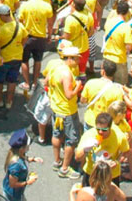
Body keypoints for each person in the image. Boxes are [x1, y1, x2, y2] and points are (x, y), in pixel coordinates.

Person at [49, 46, 84, 179]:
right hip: (67, 110)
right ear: (69, 58)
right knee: (71, 139)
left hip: (56, 107)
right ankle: (64, 169)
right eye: (76, 58)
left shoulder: (55, 67)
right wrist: (78, 87)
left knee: (57, 134)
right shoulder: (66, 74)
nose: (78, 61)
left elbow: (46, 81)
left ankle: (57, 161)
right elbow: (69, 95)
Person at [76, 112, 130, 184]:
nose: (100, 132)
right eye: (98, 129)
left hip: (111, 175)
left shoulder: (119, 137)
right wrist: (86, 149)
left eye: (104, 130)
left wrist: (117, 162)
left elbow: (125, 152)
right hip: (92, 173)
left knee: (112, 195)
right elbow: (78, 158)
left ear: (110, 127)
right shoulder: (89, 135)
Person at [18, 0, 54, 91]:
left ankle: (26, 83)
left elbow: (20, 21)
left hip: (27, 37)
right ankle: (34, 82)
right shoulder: (47, 6)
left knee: (24, 60)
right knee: (38, 60)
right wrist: (49, 35)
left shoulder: (25, 5)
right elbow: (50, 24)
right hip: (41, 37)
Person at [0, 4, 28, 109]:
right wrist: (19, 47)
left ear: (3, 15)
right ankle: (9, 101)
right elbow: (25, 38)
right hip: (17, 58)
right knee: (12, 80)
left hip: (3, 59)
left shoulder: (1, 29)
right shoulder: (20, 26)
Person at [80, 59, 125, 130]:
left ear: (103, 72)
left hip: (90, 121)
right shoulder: (117, 91)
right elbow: (117, 110)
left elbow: (83, 100)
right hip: (106, 124)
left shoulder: (91, 83)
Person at [102, 0, 132, 85]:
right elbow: (128, 47)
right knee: (120, 85)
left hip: (107, 57)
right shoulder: (126, 27)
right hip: (119, 60)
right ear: (127, 13)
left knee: (107, 83)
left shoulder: (109, 22)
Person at [2, 129, 39, 201]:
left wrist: (31, 159)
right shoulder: (16, 166)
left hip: (15, 192)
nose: (29, 147)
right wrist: (28, 182)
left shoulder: (17, 153)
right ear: (21, 149)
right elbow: (12, 184)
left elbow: (23, 157)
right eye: (27, 146)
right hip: (13, 195)